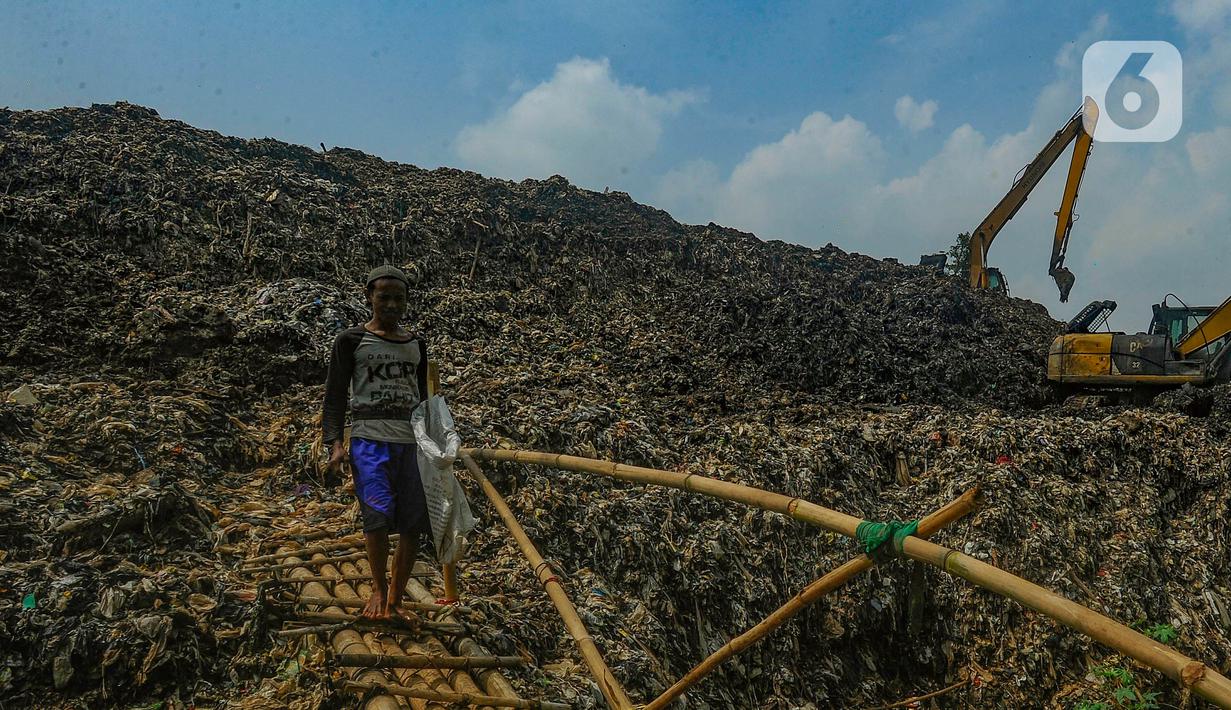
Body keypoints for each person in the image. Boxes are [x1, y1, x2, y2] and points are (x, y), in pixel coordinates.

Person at [322, 265, 430, 622]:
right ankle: (379, 590)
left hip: (410, 443)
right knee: (378, 518)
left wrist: (436, 446)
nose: (392, 304)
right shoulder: (351, 341)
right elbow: (335, 396)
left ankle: (397, 598)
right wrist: (336, 443)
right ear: (369, 297)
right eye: (384, 297)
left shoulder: (416, 345)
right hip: (369, 441)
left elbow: (424, 398)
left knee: (413, 523)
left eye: (399, 298)